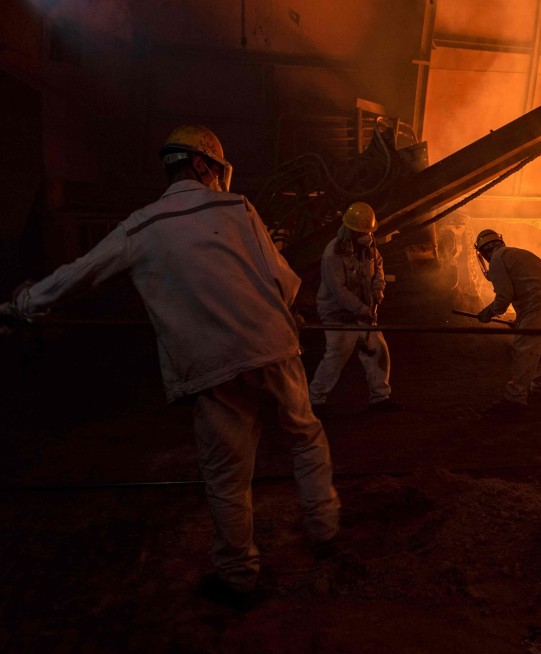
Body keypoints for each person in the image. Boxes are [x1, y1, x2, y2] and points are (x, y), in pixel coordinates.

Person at [0, 124, 342, 609]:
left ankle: (239, 577)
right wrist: (287, 312)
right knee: (305, 435)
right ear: (204, 165)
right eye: (218, 169)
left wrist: (22, 304)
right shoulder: (239, 208)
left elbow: (78, 275)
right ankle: (324, 528)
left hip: (211, 364)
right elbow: (283, 282)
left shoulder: (141, 227)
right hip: (273, 346)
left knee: (226, 477)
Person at [307, 202, 401, 412]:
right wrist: (362, 310)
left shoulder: (369, 246)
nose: (366, 236)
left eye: (368, 231)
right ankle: (316, 401)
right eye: (362, 232)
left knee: (377, 351)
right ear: (350, 230)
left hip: (363, 311)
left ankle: (380, 397)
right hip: (338, 314)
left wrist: (378, 290)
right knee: (336, 356)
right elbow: (339, 291)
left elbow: (378, 268)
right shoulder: (334, 253)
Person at [474, 229, 541, 411]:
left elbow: (504, 297)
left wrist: (488, 313)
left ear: (483, 252)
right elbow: (527, 285)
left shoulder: (497, 260)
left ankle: (515, 398)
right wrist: (521, 318)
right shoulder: (517, 253)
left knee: (524, 348)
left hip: (540, 300)